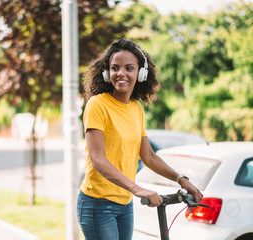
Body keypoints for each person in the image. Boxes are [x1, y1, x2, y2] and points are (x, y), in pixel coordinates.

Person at [77, 38, 203, 240]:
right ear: (106, 72)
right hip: (97, 204)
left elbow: (149, 156)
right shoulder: (97, 105)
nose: (121, 74)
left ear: (141, 73)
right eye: (115, 68)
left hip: (124, 205)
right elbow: (98, 159)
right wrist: (139, 189)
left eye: (129, 68)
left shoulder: (136, 108)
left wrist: (181, 179)